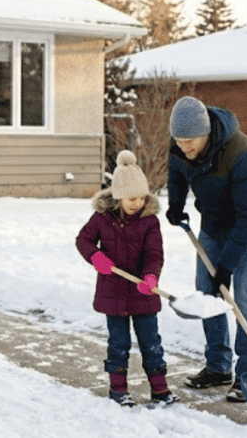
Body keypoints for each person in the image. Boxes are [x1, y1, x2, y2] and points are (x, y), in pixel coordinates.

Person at [165, 96, 247, 404]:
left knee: (245, 296)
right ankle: (218, 367)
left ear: (206, 135)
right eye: (178, 141)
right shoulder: (180, 148)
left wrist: (227, 266)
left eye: (189, 141)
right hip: (214, 223)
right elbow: (176, 171)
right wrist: (176, 203)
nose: (183, 147)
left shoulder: (241, 153)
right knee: (207, 293)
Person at [76, 150, 177, 407]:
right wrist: (97, 258)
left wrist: (151, 278)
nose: (137, 203)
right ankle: (118, 389)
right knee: (118, 344)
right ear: (119, 196)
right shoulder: (102, 218)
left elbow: (155, 254)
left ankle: (160, 389)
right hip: (113, 292)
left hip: (143, 292)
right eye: (131, 198)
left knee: (151, 342)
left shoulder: (149, 221)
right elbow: (83, 240)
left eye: (142, 197)